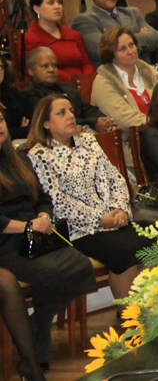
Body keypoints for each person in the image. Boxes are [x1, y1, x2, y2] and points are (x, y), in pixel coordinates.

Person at [0, 109, 94, 375]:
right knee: (55, 272)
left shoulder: (19, 159)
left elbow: (42, 197)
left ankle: (37, 325)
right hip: (4, 243)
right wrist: (28, 225)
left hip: (34, 234)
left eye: (0, 119)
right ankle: (34, 342)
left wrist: (42, 215)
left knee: (79, 264)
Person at [17, 47, 112, 139]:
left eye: (54, 65)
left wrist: (103, 119)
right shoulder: (28, 94)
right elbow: (54, 121)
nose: (51, 70)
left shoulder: (68, 87)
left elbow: (88, 109)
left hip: (85, 133)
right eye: (45, 66)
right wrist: (93, 123)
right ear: (31, 71)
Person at [72, 0, 158, 66]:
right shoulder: (85, 20)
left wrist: (114, 40)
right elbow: (102, 50)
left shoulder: (133, 12)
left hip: (144, 70)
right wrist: (138, 37)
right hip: (113, 74)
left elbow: (155, 38)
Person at [92, 27, 158, 142]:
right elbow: (124, 119)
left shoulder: (146, 69)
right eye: (122, 49)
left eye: (131, 45)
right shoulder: (103, 81)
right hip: (130, 143)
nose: (130, 52)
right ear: (111, 55)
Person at [24, 0, 94, 83]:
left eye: (59, 2)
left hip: (82, 86)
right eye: (51, 3)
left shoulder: (73, 34)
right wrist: (75, 83)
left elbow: (87, 64)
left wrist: (86, 82)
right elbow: (41, 72)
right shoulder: (30, 39)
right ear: (36, 9)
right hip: (53, 89)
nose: (57, 7)